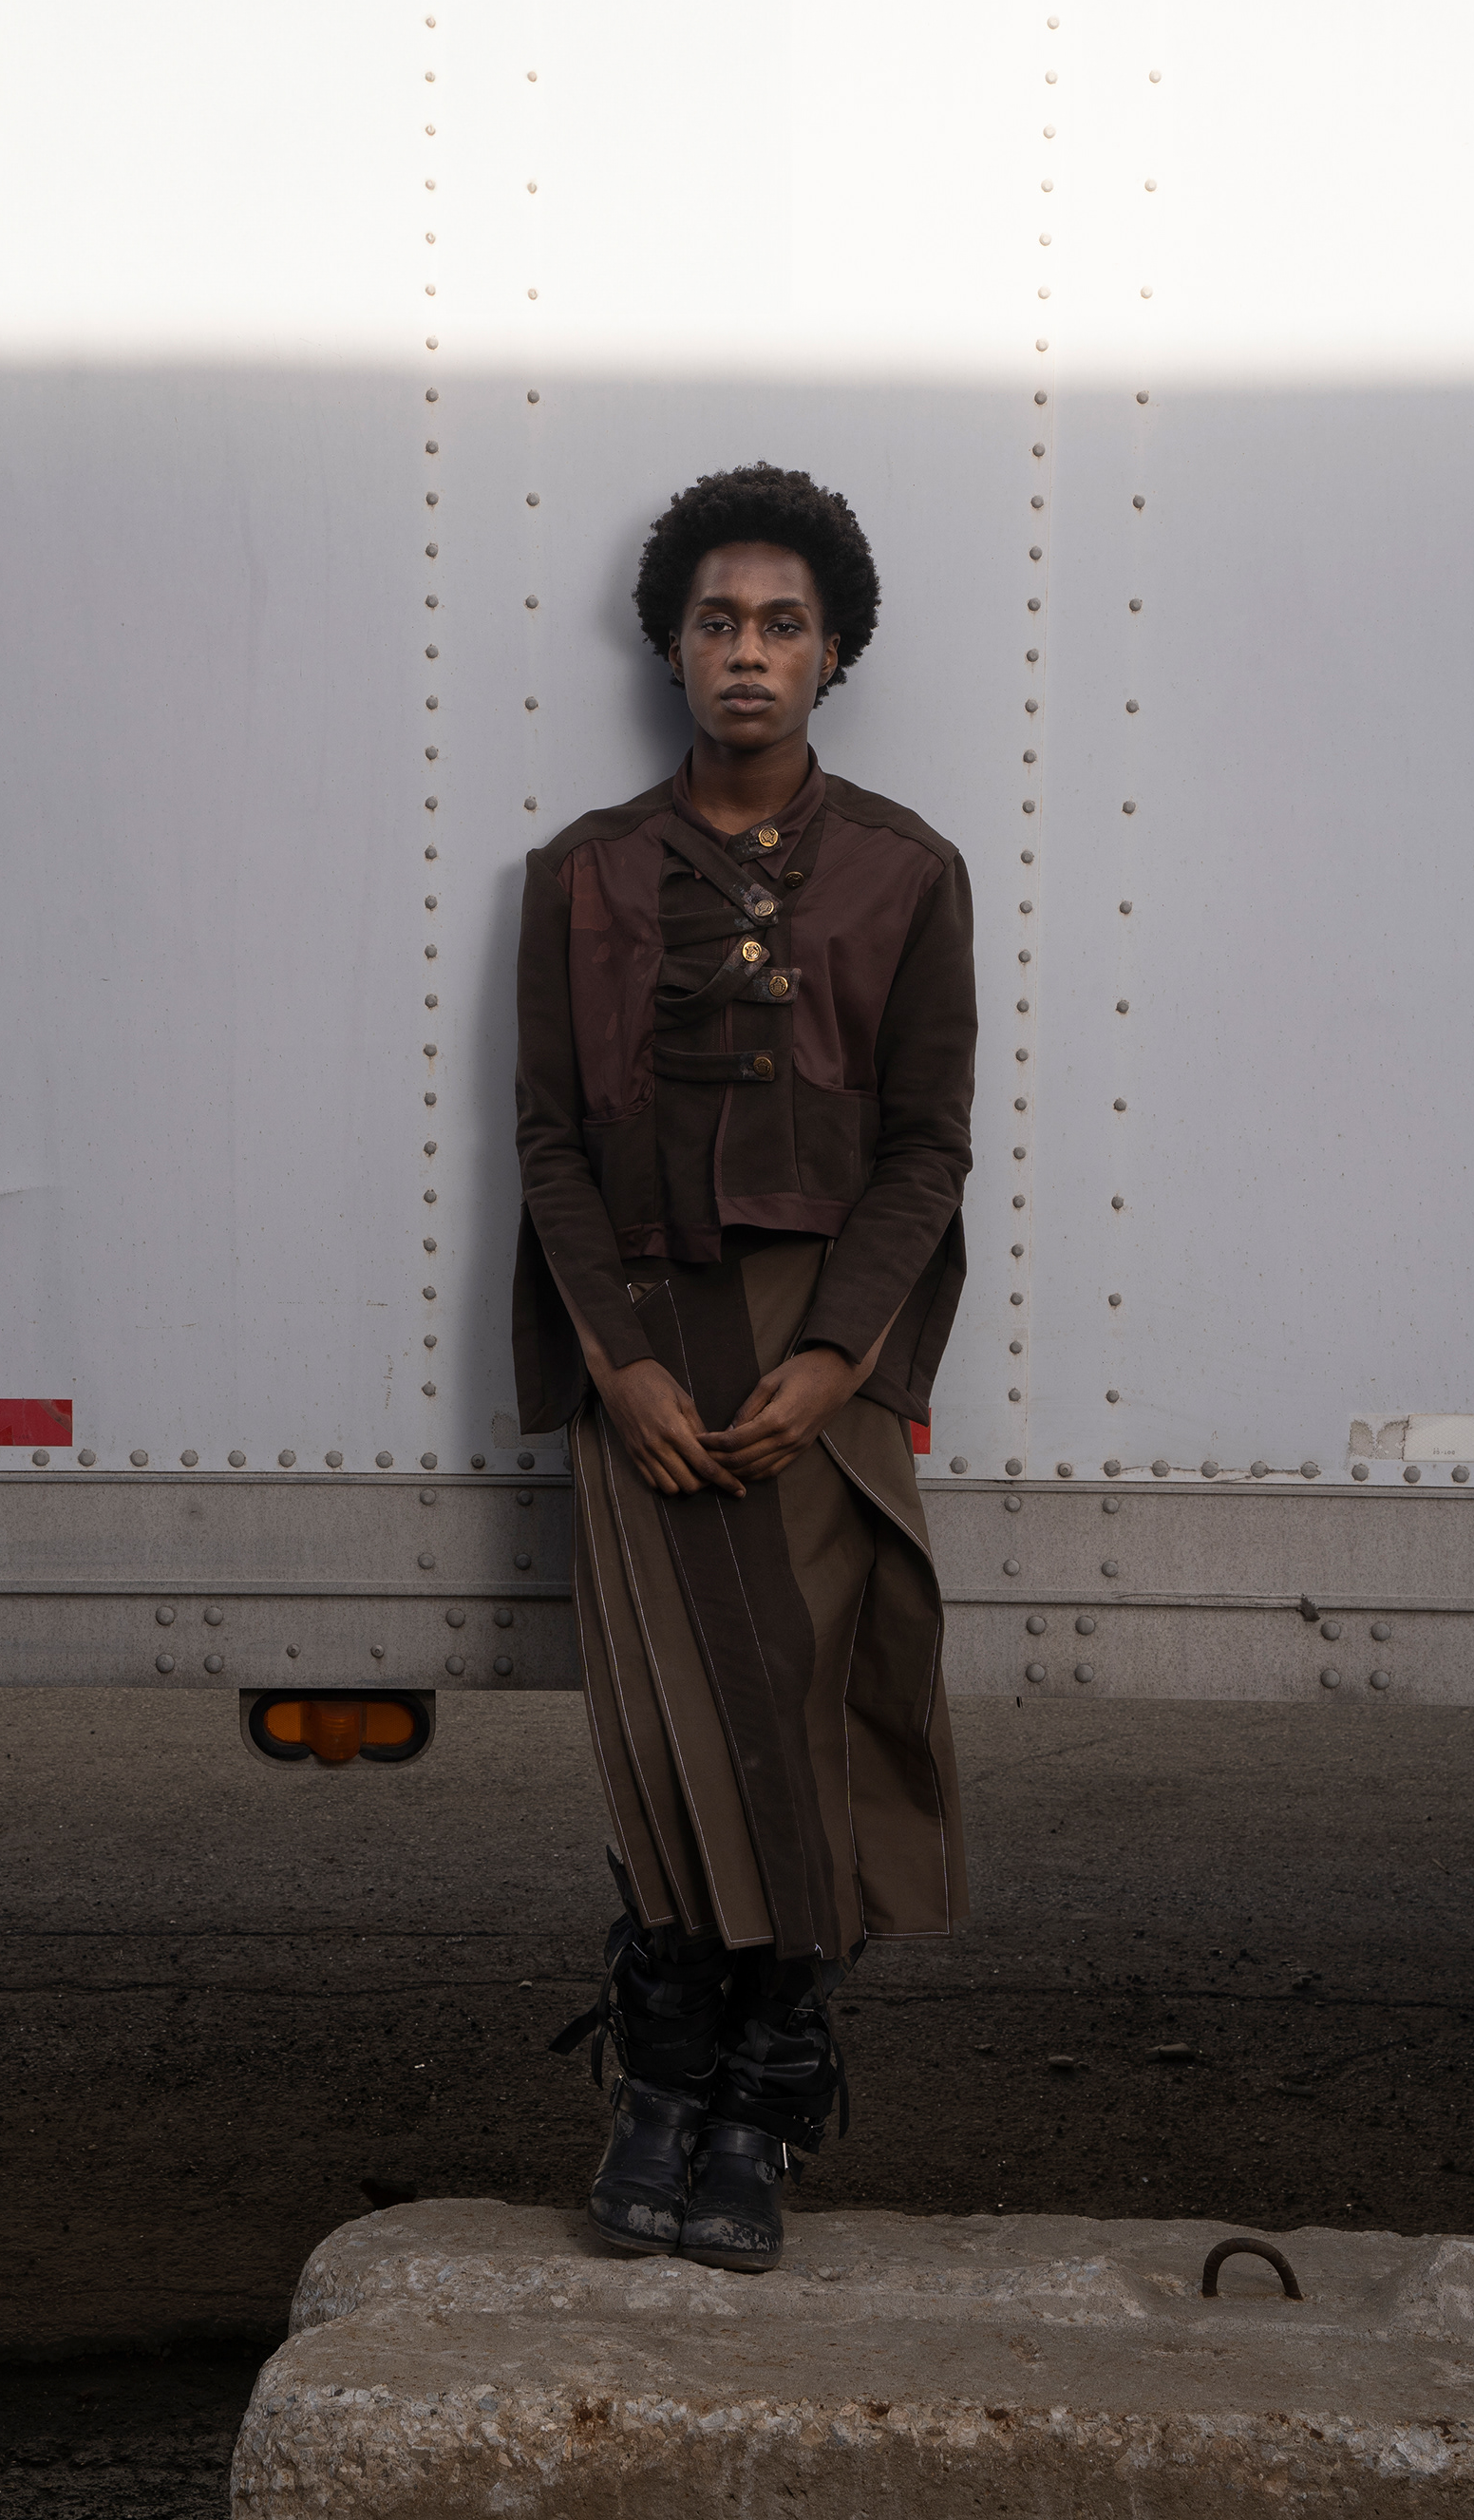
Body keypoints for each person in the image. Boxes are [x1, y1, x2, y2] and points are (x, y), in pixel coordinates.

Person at [513, 463, 976, 2273]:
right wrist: (617, 1368)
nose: (749, 652)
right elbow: (551, 1143)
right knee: (666, 1728)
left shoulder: (907, 873)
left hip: (817, 1362)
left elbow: (927, 1147)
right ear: (672, 646)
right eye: (718, 621)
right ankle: (659, 2088)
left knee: (802, 1720)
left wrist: (842, 1354)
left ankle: (765, 2108)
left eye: (785, 623)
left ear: (833, 650)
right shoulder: (582, 876)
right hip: (643, 1352)